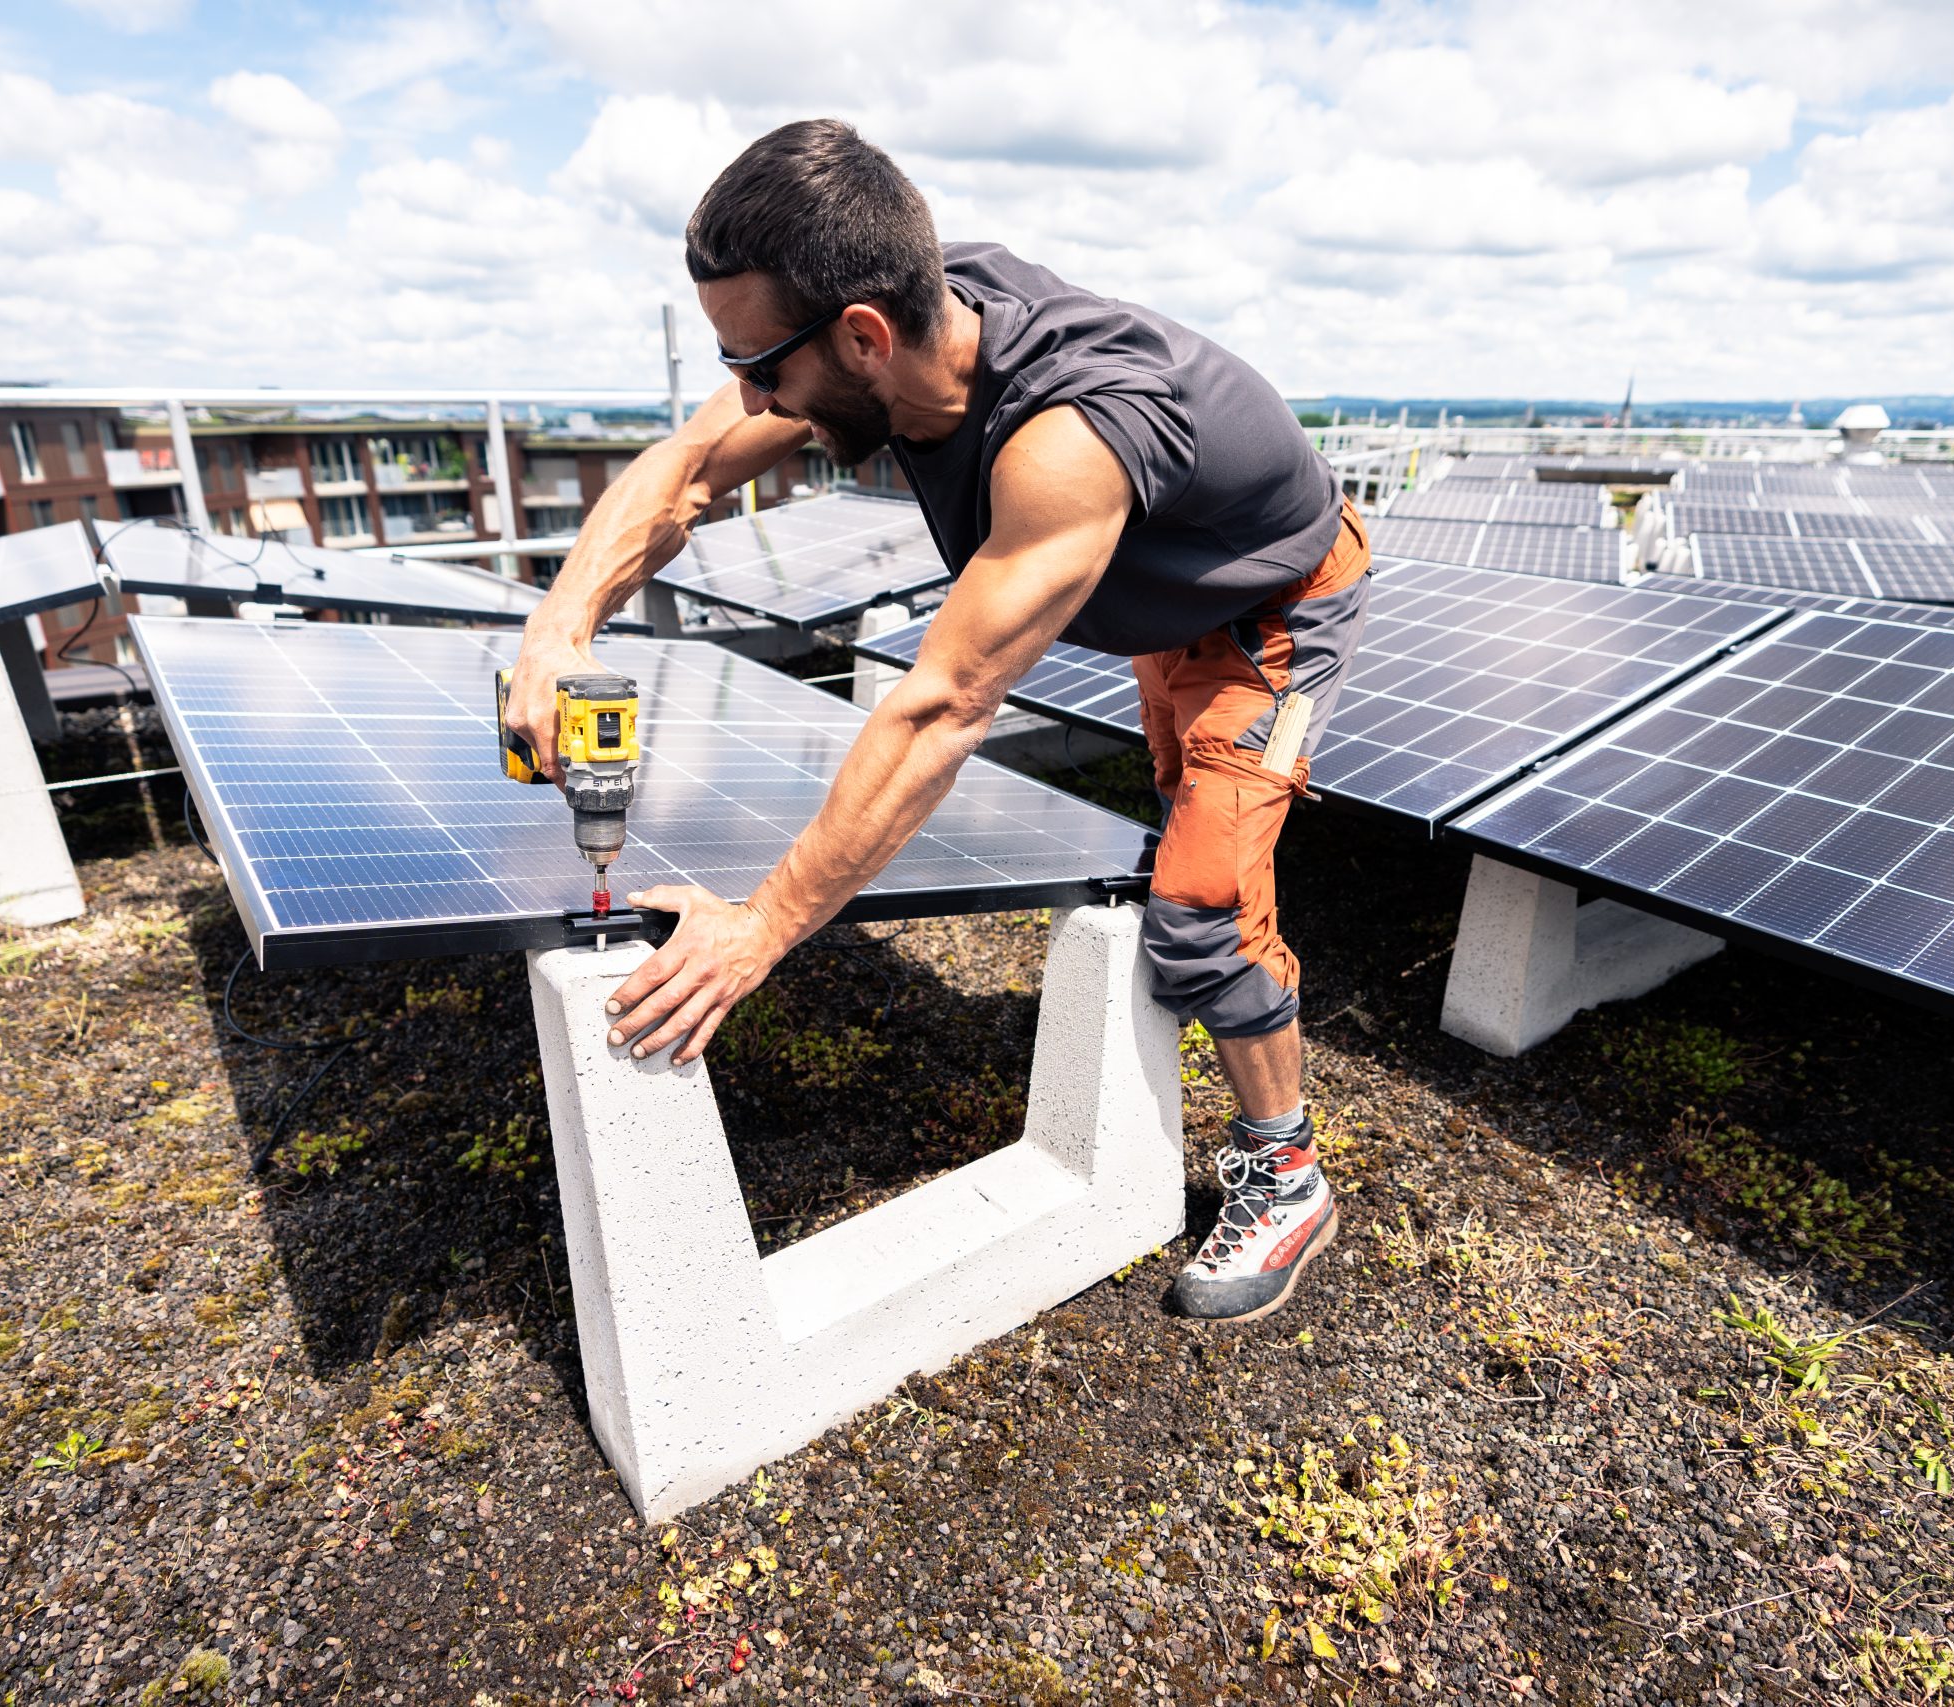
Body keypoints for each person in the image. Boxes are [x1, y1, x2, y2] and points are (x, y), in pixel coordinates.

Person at [502, 119, 1369, 1323]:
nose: (748, 397)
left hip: (1269, 609)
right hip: (1161, 596)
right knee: (1186, 836)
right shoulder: (890, 309)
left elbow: (943, 708)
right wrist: (558, 632)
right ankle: (1219, 990)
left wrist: (761, 928)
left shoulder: (1068, 440)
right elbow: (690, 466)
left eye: (761, 368)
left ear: (863, 336)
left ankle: (1287, 1174)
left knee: (1201, 905)